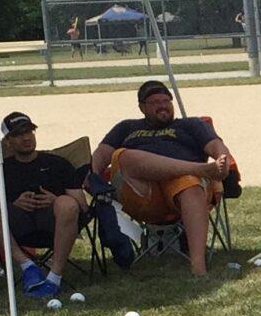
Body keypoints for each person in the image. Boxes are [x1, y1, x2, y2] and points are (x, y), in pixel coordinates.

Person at [91, 79, 236, 277]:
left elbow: (217, 146)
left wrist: (223, 160)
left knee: (191, 185)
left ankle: (198, 268)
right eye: (155, 102)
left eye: (166, 101)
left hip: (182, 189)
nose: (162, 106)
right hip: (142, 193)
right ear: (142, 107)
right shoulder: (126, 127)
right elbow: (100, 155)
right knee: (124, 156)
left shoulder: (191, 124)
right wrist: (91, 176)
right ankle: (200, 169)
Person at [0, 110, 90, 299]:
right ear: (7, 141)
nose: (26, 138)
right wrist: (13, 203)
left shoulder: (58, 163)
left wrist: (55, 200)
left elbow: (82, 206)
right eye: (18, 134)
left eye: (29, 132)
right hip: (18, 225)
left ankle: (54, 277)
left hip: (55, 222)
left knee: (66, 203)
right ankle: (27, 266)